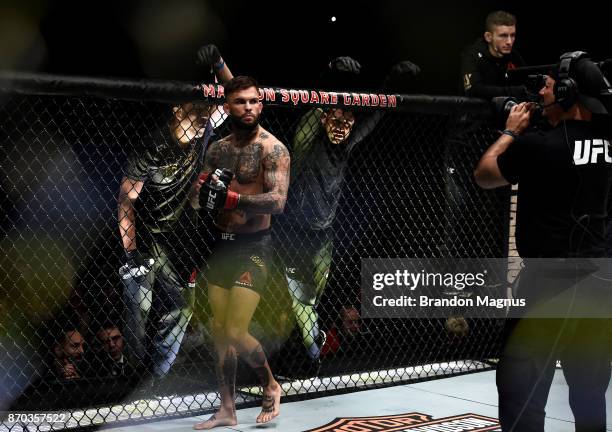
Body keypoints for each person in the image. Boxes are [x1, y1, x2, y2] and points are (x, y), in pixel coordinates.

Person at [474, 52, 612, 431]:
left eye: (549, 88)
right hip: (600, 285)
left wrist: (510, 131)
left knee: (520, 389)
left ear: (569, 93)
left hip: (549, 283)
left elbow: (485, 174)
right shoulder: (607, 139)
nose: (542, 95)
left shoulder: (542, 146)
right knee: (588, 390)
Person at [275, 57, 420, 364]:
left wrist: (392, 80)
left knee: (309, 301)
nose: (341, 128)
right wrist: (330, 75)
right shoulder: (307, 142)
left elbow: (377, 112)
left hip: (323, 236)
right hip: (293, 234)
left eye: (347, 123)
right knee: (295, 301)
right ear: (326, 118)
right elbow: (312, 107)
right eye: (335, 120)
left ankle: (309, 356)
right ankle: (301, 356)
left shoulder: (347, 144)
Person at [117, 44, 234, 380]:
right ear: (176, 107)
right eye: (196, 108)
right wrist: (131, 253)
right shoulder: (152, 145)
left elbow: (238, 98)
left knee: (181, 307)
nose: (203, 115)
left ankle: (155, 377)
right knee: (138, 305)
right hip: (145, 233)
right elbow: (127, 201)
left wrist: (219, 61)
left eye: (207, 108)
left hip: (178, 238)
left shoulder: (205, 126)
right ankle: (131, 374)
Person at [189, 76, 290, 428]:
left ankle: (271, 384)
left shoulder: (272, 148)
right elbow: (199, 195)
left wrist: (234, 198)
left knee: (234, 329)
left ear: (260, 105)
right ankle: (227, 409)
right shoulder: (217, 149)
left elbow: (278, 201)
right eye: (240, 101)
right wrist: (202, 192)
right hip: (220, 246)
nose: (248, 107)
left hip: (254, 248)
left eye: (253, 101)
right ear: (228, 106)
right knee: (220, 332)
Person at [461, 10, 527, 99]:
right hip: (476, 112)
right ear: (488, 37)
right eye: (503, 35)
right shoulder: (472, 55)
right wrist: (517, 91)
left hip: (508, 111)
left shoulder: (514, 56)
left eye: (512, 35)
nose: (509, 41)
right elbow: (474, 90)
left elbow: (528, 85)